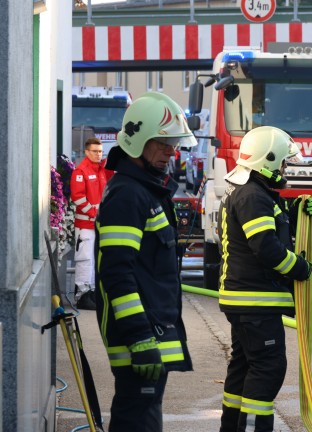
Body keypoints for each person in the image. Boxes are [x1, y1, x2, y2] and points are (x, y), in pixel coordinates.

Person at [94, 92, 196, 431]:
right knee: (137, 422)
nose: (172, 152)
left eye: (174, 144)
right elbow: (117, 274)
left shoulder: (144, 190)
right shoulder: (128, 196)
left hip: (151, 334)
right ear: (138, 141)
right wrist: (139, 337)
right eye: (163, 143)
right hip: (140, 339)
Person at [217, 126, 312, 431]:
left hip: (245, 299)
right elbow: (267, 249)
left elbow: (265, 234)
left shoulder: (251, 193)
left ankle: (231, 427)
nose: (285, 169)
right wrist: (300, 268)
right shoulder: (253, 196)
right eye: (283, 163)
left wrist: (294, 213)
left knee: (244, 366)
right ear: (268, 162)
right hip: (255, 300)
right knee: (268, 368)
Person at [70, 137, 108, 310]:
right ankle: (82, 296)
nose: (98, 154)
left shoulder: (101, 170)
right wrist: (95, 214)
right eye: (94, 151)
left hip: (97, 225)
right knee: (85, 260)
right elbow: (78, 198)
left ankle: (91, 292)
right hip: (85, 225)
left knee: (94, 260)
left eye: (100, 151)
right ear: (86, 152)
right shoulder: (80, 171)